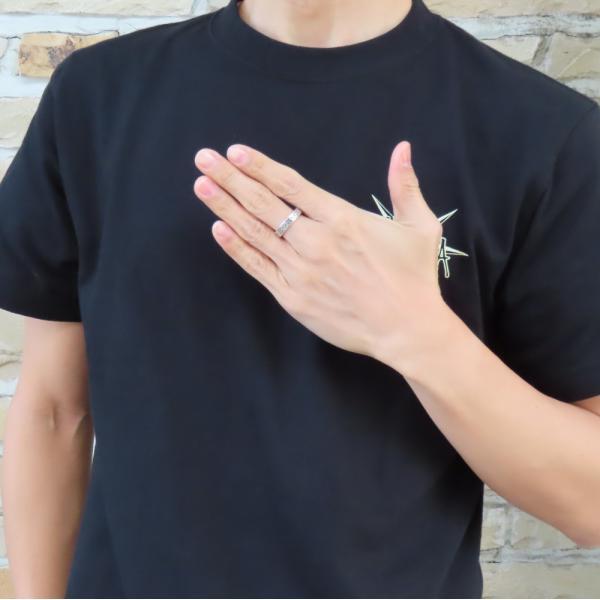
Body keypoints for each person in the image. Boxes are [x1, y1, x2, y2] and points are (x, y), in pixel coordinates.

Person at [1, 0, 599, 597]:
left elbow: (589, 503)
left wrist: (415, 333)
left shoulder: (541, 132)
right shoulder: (98, 95)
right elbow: (54, 411)